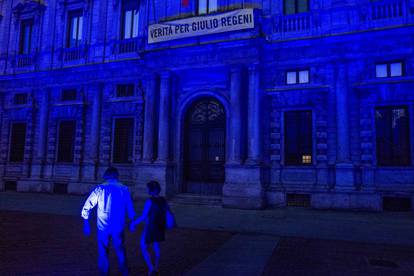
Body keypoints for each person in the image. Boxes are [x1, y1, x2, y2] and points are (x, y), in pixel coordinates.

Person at [81, 166, 135, 276]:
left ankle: (104, 273)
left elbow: (87, 206)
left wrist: (86, 224)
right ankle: (124, 272)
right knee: (120, 250)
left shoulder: (100, 188)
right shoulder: (124, 189)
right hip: (118, 226)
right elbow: (130, 207)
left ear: (106, 176)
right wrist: (132, 221)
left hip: (103, 226)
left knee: (103, 251)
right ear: (116, 175)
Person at [130, 181, 171, 276]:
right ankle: (156, 267)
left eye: (148, 188)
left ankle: (151, 267)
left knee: (143, 246)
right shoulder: (163, 200)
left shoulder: (150, 201)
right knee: (156, 246)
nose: (146, 189)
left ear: (151, 190)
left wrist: (134, 223)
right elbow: (167, 212)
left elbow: (144, 216)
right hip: (160, 226)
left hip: (151, 226)